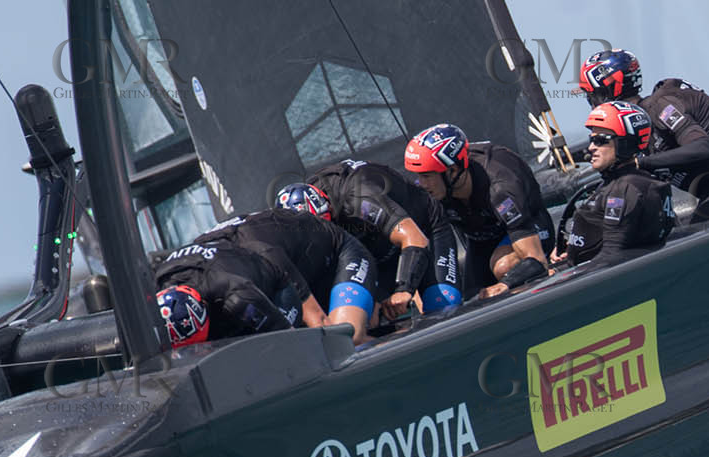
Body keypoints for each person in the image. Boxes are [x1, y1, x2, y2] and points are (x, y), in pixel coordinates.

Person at [578, 49, 709, 214]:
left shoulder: (661, 107)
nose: (592, 104)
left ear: (608, 92)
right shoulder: (636, 125)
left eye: (592, 96)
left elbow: (704, 147)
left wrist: (640, 162)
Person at [154, 208, 376, 347]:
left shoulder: (239, 291)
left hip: (333, 254)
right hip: (260, 265)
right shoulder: (162, 284)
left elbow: (315, 325)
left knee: (344, 339)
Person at [280, 159, 462, 319]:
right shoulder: (299, 222)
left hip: (421, 231)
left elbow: (415, 239)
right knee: (367, 318)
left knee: (442, 306)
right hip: (372, 250)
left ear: (329, 211)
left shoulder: (358, 198)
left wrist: (404, 289)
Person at [403, 123, 554, 299]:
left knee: (504, 268)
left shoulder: (500, 189)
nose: (422, 184)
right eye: (418, 176)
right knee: (470, 297)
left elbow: (536, 260)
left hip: (529, 227)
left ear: (453, 171)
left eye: (427, 176)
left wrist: (505, 284)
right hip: (481, 238)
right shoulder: (432, 191)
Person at [554, 102, 674, 270]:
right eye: (591, 140)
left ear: (624, 143)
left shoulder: (624, 188)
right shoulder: (631, 182)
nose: (591, 148)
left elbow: (611, 255)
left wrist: (567, 278)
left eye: (600, 140)